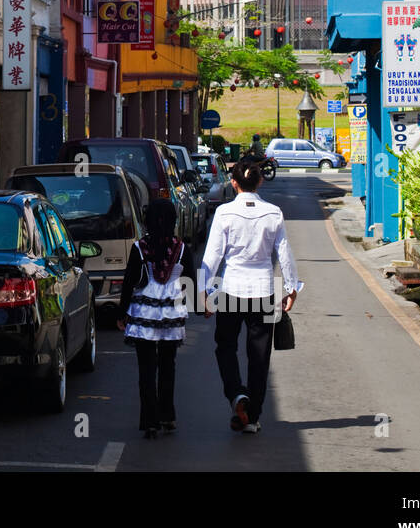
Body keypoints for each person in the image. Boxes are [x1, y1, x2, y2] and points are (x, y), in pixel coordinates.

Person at [199, 154, 301, 435]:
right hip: (264, 291)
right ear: (260, 182)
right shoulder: (273, 213)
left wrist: (203, 293)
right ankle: (253, 417)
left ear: (233, 184)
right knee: (259, 356)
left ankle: (236, 394)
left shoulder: (223, 213)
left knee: (225, 346)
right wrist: (292, 287)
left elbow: (212, 255)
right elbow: (284, 254)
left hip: (231, 289)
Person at [117, 198, 188, 439]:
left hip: (143, 313)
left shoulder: (140, 247)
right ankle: (167, 415)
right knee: (169, 365)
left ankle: (149, 421)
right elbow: (189, 280)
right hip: (171, 313)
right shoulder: (181, 248)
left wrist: (122, 313)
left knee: (146, 369)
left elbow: (128, 283)